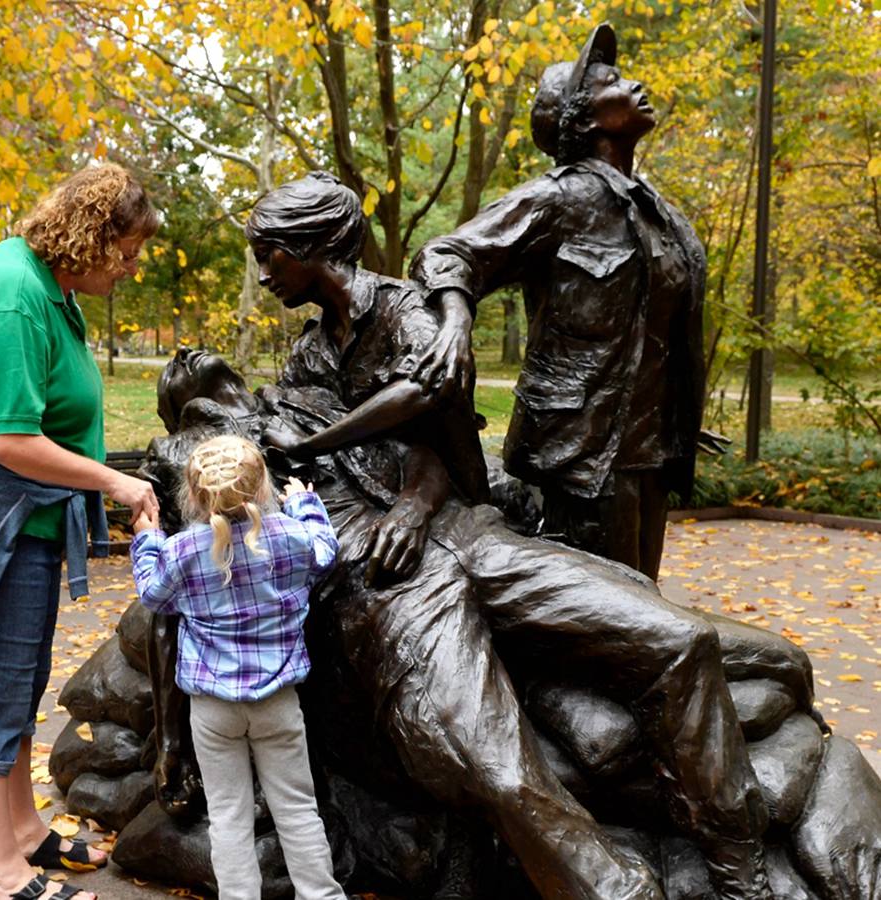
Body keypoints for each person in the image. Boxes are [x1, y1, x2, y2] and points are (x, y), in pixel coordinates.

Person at [239, 172, 787, 899]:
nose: (263, 270)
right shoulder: (310, 355)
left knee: (681, 640)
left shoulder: (408, 312)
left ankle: (737, 864)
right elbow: (329, 456)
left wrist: (409, 500)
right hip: (394, 579)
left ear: (311, 246)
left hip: (470, 534)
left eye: (271, 253)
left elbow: (434, 402)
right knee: (495, 764)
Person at [409, 23, 707, 581]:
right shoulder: (560, 198)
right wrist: (454, 321)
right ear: (585, 118)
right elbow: (446, 254)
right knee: (613, 630)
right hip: (581, 457)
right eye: (612, 81)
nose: (635, 84)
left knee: (650, 614)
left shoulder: (659, 214)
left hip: (650, 455)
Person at [0, 163, 159, 900]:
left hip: (37, 523)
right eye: (123, 251)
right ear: (88, 238)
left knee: (19, 687)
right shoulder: (14, 293)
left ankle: (22, 831)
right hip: (2, 526)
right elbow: (4, 437)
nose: (129, 266)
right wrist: (114, 480)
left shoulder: (52, 289)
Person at [130, 435, 347, 900]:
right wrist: (306, 503)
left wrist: (147, 538)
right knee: (297, 808)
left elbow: (152, 594)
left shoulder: (184, 551)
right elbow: (326, 552)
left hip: (213, 710)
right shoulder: (289, 538)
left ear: (192, 495)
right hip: (279, 704)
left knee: (228, 813)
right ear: (263, 488)